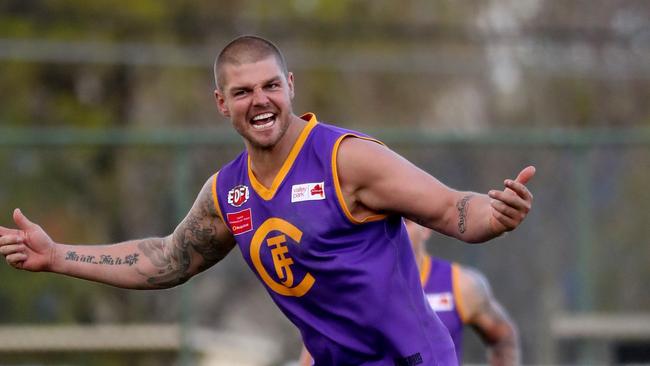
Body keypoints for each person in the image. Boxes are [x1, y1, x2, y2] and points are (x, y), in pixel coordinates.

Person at [0, 35, 535, 366]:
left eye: (270, 86)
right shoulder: (228, 192)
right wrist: (58, 256)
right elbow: (166, 260)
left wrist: (497, 214)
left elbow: (453, 210)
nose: (260, 101)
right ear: (221, 103)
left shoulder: (347, 159)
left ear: (290, 87)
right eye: (242, 91)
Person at [298, 219, 521, 366]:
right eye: (387, 222)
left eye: (405, 222)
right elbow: (315, 355)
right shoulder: (349, 288)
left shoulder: (460, 285)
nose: (395, 230)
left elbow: (503, 337)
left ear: (426, 228)